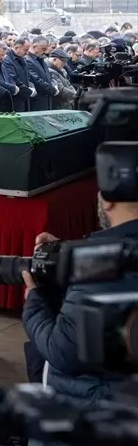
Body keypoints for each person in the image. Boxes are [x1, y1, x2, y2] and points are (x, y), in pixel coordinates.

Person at [21, 142, 138, 411]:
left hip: (97, 418)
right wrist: (70, 256)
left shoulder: (99, 268)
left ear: (107, 200)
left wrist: (35, 300)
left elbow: (62, 351)